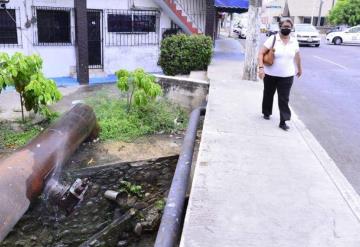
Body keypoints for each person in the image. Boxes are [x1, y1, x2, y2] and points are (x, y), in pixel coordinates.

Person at [258, 18, 302, 131]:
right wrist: (261, 68)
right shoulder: (273, 39)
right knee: (268, 94)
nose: (286, 28)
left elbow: (297, 56)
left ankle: (283, 121)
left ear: (291, 28)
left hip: (287, 76)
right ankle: (266, 112)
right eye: (284, 26)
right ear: (280, 27)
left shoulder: (294, 41)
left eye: (289, 27)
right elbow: (261, 53)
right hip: (270, 74)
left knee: (284, 99)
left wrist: (299, 68)